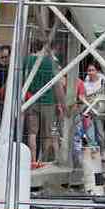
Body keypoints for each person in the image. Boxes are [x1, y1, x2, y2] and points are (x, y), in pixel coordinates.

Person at [23, 36, 66, 164]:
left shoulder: (28, 60)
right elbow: (60, 84)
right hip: (49, 102)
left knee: (32, 133)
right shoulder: (51, 62)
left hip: (32, 100)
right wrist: (61, 103)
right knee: (47, 134)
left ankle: (33, 160)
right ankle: (43, 160)